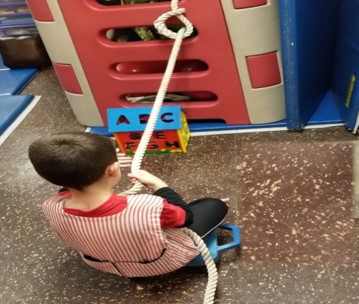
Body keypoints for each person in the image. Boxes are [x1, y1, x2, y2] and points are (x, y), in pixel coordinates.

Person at [28, 132, 229, 278]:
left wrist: (93, 163)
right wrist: (160, 186)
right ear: (113, 170)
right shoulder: (148, 206)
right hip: (161, 263)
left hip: (104, 264)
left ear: (42, 176)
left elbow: (65, 185)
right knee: (212, 204)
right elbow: (184, 218)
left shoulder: (50, 206)